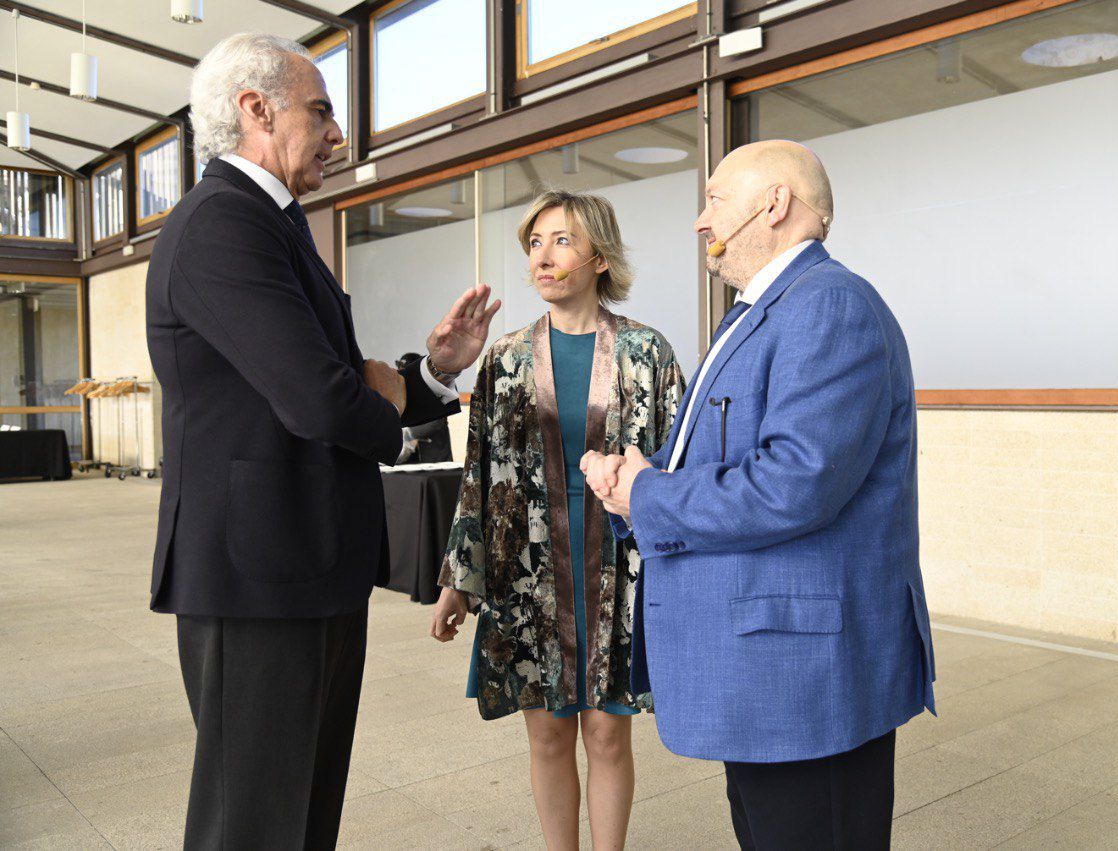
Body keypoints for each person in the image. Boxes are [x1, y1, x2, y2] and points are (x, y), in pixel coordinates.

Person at [145, 33, 499, 849]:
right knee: (254, 822)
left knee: (300, 816)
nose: (338, 135)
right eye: (322, 110)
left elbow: (343, 381)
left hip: (301, 567)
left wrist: (430, 373)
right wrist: (387, 423)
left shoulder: (274, 225)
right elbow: (318, 394)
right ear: (256, 109)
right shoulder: (222, 226)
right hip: (257, 576)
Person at [581, 140, 935, 850]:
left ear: (773, 204)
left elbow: (795, 483)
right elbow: (743, 457)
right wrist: (638, 479)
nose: (699, 221)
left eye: (714, 198)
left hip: (806, 680)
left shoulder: (830, 307)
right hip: (771, 674)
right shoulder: (768, 309)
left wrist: (648, 496)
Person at [431, 190, 684, 851]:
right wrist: (460, 579)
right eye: (536, 242)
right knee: (546, 733)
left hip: (616, 562)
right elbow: (478, 474)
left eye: (562, 241)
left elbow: (680, 466)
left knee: (606, 730)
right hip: (527, 569)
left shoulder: (647, 352)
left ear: (599, 256)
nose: (544, 256)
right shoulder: (506, 358)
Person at [394, 352, 454, 464]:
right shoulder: (403, 394)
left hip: (436, 465)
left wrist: (407, 432)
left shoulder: (435, 390)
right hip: (410, 466)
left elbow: (435, 422)